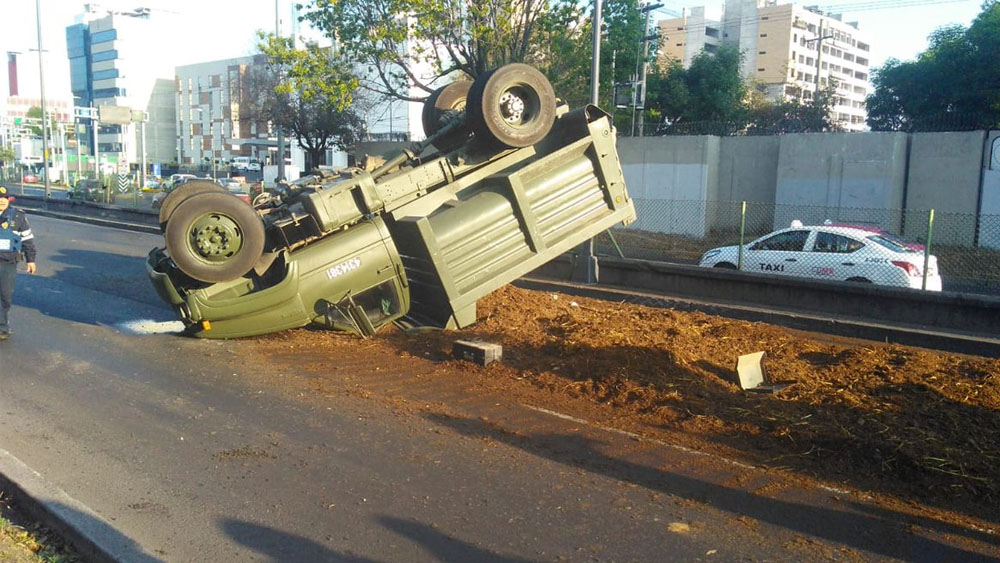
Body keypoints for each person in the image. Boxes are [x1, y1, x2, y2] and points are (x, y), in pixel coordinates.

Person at [0, 186, 37, 340]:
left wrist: (31, 260)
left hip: (8, 262)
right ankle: (2, 328)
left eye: (4, 198)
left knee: (5, 295)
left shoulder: (18, 217)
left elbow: (27, 239)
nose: (1, 201)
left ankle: (3, 323)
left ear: (8, 199)